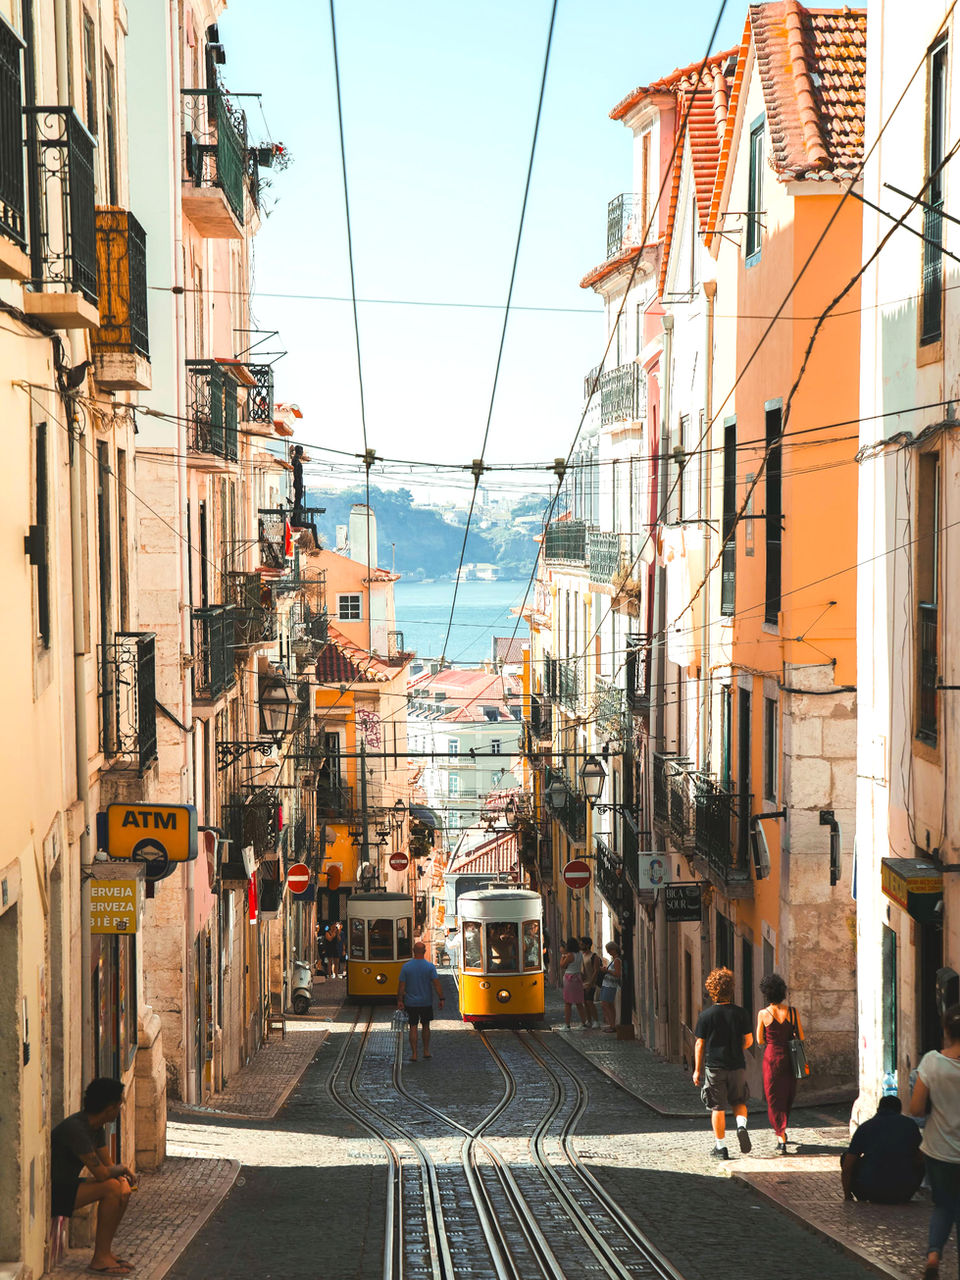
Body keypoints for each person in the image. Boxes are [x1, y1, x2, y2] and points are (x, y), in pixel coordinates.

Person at [51, 1077, 137, 1275]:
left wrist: (122, 1177)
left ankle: (105, 1252)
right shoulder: (77, 1129)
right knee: (112, 1187)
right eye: (119, 1105)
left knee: (121, 1186)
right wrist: (123, 1169)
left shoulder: (95, 1128)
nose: (120, 1109)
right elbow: (102, 1174)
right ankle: (99, 1259)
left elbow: (107, 1165)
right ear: (110, 1108)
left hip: (69, 1185)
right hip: (55, 1192)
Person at [909, 1003, 960, 1279]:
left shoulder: (931, 1062)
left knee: (943, 1205)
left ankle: (933, 1255)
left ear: (946, 1031)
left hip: (939, 1151)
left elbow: (916, 1109)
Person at [693, 966, 753, 1159]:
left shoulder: (705, 1016)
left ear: (712, 991)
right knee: (739, 1100)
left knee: (717, 1107)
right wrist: (736, 1048)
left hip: (715, 1066)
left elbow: (699, 1044)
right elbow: (750, 1041)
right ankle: (741, 1126)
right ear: (731, 989)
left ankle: (721, 1147)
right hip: (737, 1064)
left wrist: (696, 1070)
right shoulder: (741, 1013)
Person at [841, 1096, 923, 1204]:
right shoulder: (910, 1125)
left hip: (871, 1191)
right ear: (899, 1110)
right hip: (904, 1190)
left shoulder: (865, 1127)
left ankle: (861, 1194)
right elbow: (920, 1158)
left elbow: (848, 1165)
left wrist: (847, 1196)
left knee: (846, 1157)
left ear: (878, 1109)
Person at [756, 973, 804, 1153]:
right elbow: (801, 1036)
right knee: (787, 1094)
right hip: (789, 1058)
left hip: (771, 1059)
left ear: (766, 993)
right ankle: (782, 1129)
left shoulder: (763, 1014)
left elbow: (760, 1040)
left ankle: (780, 1136)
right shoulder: (792, 1012)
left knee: (773, 1097)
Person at [398, 941, 445, 1061]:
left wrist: (400, 1000)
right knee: (426, 1026)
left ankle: (414, 1054)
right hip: (426, 1002)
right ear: (424, 952)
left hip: (410, 1002)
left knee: (413, 1026)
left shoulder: (406, 967)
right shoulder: (430, 967)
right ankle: (426, 1050)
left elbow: (401, 986)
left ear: (413, 951)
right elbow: (436, 984)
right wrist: (441, 998)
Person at [559, 937, 586, 1029]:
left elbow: (562, 965)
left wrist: (563, 955)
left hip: (569, 979)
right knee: (579, 1002)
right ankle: (584, 1023)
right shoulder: (580, 954)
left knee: (568, 1003)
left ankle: (567, 1025)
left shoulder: (569, 955)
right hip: (577, 978)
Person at [598, 942, 622, 1032]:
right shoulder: (614, 959)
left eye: (609, 950)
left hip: (610, 985)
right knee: (609, 1005)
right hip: (607, 984)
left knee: (605, 1004)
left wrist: (607, 971)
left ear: (613, 949)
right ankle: (612, 1025)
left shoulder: (617, 961)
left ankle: (612, 1025)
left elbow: (617, 973)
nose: (608, 952)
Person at [580, 937, 602, 1029]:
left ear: (587, 945)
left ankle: (596, 1021)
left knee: (590, 1002)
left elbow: (596, 971)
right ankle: (589, 1021)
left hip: (591, 983)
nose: (580, 946)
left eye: (581, 944)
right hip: (582, 983)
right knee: (585, 1002)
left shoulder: (594, 956)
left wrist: (590, 983)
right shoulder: (581, 955)